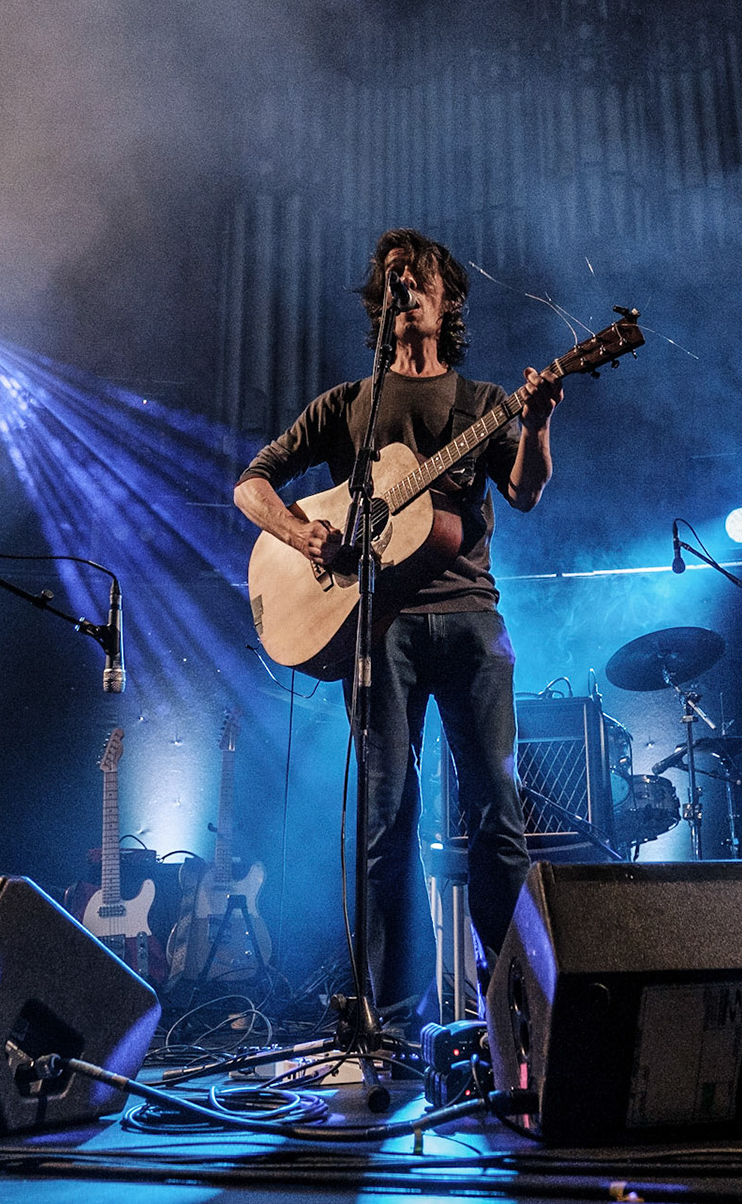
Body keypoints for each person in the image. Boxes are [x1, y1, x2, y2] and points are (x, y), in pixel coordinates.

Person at [234, 227, 562, 1016]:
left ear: (448, 299)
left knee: (499, 814)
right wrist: (301, 534)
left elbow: (524, 493)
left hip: (471, 617)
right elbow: (252, 484)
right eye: (393, 277)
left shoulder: (483, 403)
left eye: (419, 276)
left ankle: (517, 1004)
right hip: (376, 627)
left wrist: (538, 423)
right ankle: (393, 1017)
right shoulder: (349, 404)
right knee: (384, 822)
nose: (405, 285)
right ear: (380, 301)